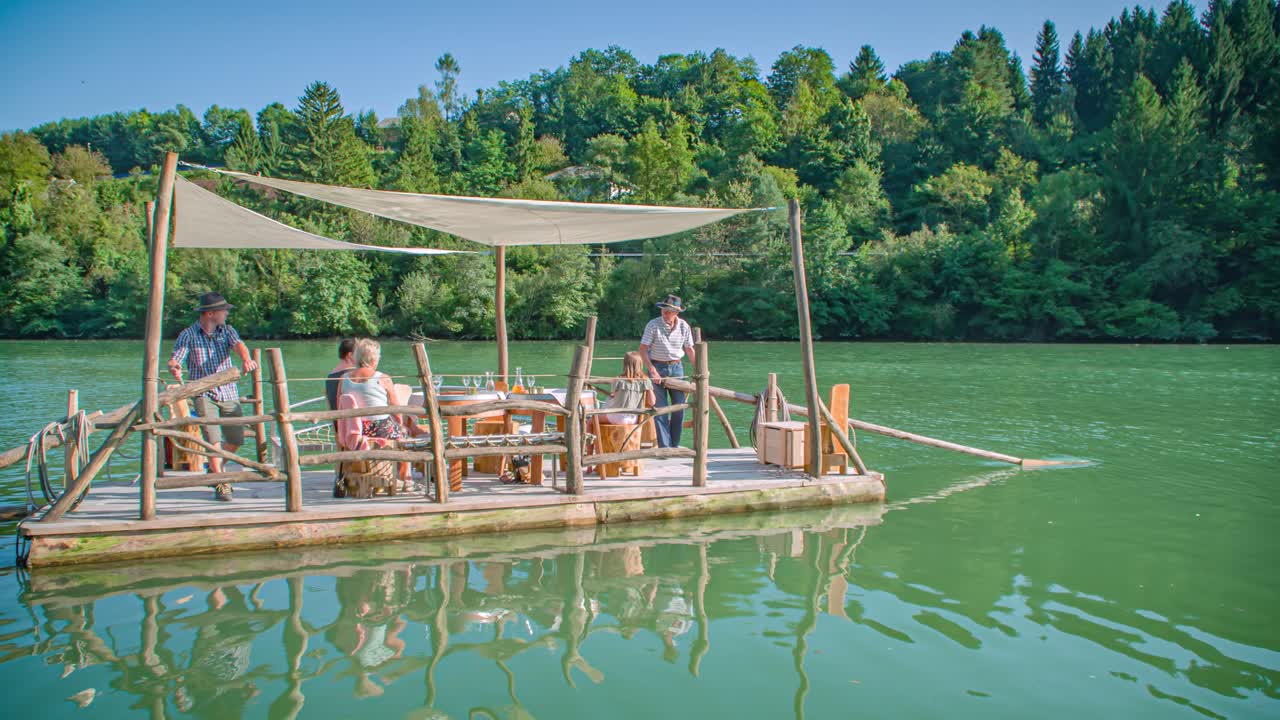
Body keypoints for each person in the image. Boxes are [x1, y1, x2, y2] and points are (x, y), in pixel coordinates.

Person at [167, 292, 258, 502]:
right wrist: (174, 366)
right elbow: (176, 358)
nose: (226, 313)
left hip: (228, 392)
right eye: (223, 310)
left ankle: (215, 469)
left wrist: (245, 360)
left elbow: (239, 345)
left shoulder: (227, 331)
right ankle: (221, 482)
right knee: (212, 440)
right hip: (203, 393)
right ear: (210, 313)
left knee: (236, 438)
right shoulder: (188, 334)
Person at [340, 338, 423, 485]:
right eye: (378, 356)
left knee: (400, 428)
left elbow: (340, 404)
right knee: (406, 432)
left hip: (355, 429)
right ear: (373, 357)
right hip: (379, 428)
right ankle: (405, 478)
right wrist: (401, 424)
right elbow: (395, 407)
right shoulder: (382, 378)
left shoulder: (343, 378)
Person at [638, 294, 695, 448]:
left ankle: (674, 445)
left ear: (677, 312)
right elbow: (643, 349)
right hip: (657, 367)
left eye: (669, 311)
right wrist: (652, 370)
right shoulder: (653, 325)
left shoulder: (684, 326)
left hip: (677, 368)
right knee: (660, 409)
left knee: (679, 408)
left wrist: (699, 368)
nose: (666, 313)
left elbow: (689, 349)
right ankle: (665, 448)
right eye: (664, 309)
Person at [602, 352, 655, 425]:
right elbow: (652, 402)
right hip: (634, 419)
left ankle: (588, 436)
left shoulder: (618, 380)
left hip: (618, 417)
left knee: (591, 421)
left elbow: (613, 396)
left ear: (625, 364)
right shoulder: (645, 380)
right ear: (640, 364)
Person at [325, 338, 357, 411]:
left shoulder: (330, 376)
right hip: (350, 420)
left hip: (336, 419)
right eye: (359, 353)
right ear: (350, 355)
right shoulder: (352, 374)